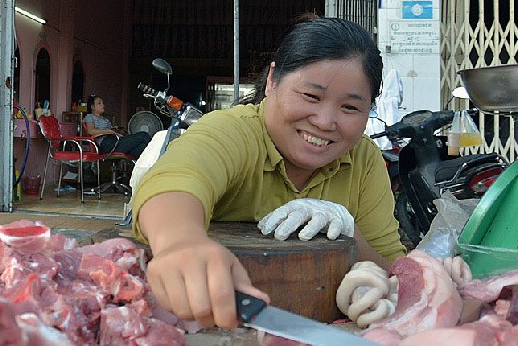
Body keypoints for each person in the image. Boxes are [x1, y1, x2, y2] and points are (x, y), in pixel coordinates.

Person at [132, 17, 406, 330]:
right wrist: (181, 242)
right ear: (273, 80)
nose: (326, 121)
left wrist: (349, 231)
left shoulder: (364, 160)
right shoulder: (234, 131)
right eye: (311, 97)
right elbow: (174, 182)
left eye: (350, 108)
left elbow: (394, 272)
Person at [82, 95, 151, 158]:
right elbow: (90, 131)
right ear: (92, 107)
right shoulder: (90, 117)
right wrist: (109, 131)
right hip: (108, 144)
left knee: (142, 148)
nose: (103, 105)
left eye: (103, 103)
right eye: (99, 103)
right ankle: (161, 153)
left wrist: (113, 129)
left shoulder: (104, 119)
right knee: (143, 135)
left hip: (115, 141)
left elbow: (108, 130)